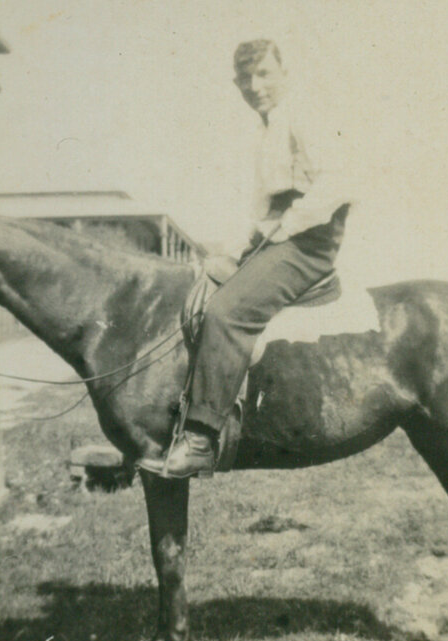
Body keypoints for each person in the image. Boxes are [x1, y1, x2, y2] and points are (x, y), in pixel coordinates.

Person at [162, 39, 351, 478]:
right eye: (246, 79)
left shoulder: (303, 116)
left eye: (264, 73)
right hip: (279, 235)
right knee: (207, 283)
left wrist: (287, 226)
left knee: (228, 310)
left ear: (284, 72)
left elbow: (336, 182)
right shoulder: (267, 129)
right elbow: (261, 206)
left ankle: (201, 438)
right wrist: (239, 244)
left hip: (309, 241)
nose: (255, 86)